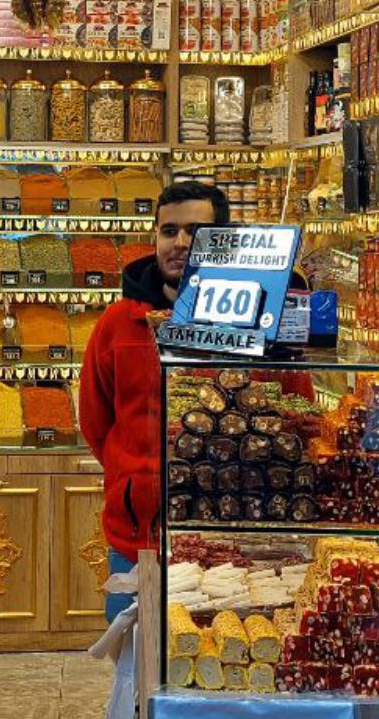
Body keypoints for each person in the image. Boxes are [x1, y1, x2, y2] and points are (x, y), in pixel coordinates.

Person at [79, 181, 233, 622]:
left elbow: (287, 411)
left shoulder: (251, 320)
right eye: (169, 231)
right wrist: (135, 477)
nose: (180, 242)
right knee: (134, 651)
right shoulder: (117, 323)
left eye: (196, 232)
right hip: (138, 540)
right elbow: (95, 421)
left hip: (228, 537)